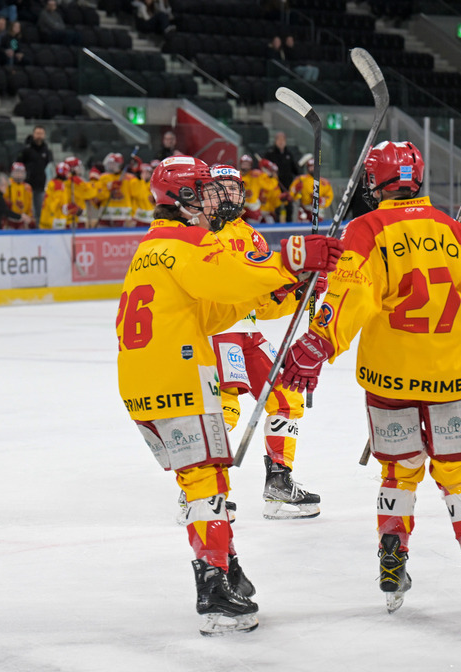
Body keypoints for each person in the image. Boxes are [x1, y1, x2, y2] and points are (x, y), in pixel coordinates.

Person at [116, 156, 343, 636]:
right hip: (177, 377)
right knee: (206, 486)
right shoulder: (187, 241)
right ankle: (214, 590)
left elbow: (215, 311)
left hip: (142, 382)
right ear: (185, 198)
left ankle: (226, 569)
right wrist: (290, 262)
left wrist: (290, 283)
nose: (215, 199)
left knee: (207, 481)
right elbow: (233, 279)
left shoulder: (153, 248)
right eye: (205, 190)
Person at [280, 141, 461, 616]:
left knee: (399, 472)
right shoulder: (451, 228)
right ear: (417, 179)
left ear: (373, 183)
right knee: (457, 474)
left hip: (392, 379)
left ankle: (391, 560)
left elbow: (349, 297)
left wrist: (319, 343)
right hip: (456, 372)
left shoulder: (367, 228)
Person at [207, 164, 331, 520]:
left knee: (286, 395)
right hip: (212, 331)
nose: (230, 193)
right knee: (222, 408)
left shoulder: (251, 235)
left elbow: (263, 303)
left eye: (234, 187)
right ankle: (203, 493)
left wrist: (298, 289)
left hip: (246, 331)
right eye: (221, 187)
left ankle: (278, 483)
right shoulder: (199, 231)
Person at [39, 159, 95, 230]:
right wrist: (67, 208)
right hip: (57, 219)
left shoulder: (56, 183)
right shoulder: (61, 184)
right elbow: (55, 205)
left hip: (55, 218)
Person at [16, 125, 53, 221]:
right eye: (37, 133)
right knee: (25, 210)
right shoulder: (26, 150)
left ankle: (38, 230)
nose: (39, 136)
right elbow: (18, 164)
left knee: (40, 211)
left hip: (40, 185)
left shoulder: (47, 151)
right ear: (33, 134)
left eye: (41, 134)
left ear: (44, 135)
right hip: (26, 185)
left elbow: (49, 167)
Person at [94, 152, 136, 227]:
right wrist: (108, 188)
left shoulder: (130, 178)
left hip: (124, 216)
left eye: (113, 164)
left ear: (120, 165)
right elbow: (98, 196)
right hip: (105, 215)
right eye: (110, 163)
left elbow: (136, 195)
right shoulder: (103, 177)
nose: (111, 166)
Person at [265, 132, 299, 222]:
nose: (281, 142)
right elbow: (264, 169)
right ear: (275, 141)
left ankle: (289, 226)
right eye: (279, 139)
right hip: (275, 186)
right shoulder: (270, 154)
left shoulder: (289, 154)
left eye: (283, 140)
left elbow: (295, 169)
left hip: (288, 185)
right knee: (277, 209)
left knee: (289, 208)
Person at [290, 153, 333, 223]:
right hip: (304, 210)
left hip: (319, 211)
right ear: (307, 167)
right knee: (304, 232)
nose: (312, 169)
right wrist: (296, 191)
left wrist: (321, 200)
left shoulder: (325, 182)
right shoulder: (300, 179)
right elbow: (292, 196)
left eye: (314, 166)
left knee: (318, 232)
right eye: (310, 167)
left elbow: (329, 197)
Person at [3, 162, 35, 229]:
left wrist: (29, 217)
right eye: (17, 172)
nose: (19, 174)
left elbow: (30, 204)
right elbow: (3, 202)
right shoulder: (7, 184)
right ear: (12, 173)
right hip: (10, 219)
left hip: (23, 219)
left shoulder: (27, 187)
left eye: (21, 172)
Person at [238, 155, 263, 223]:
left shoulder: (256, 174)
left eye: (247, 164)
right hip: (240, 206)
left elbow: (269, 184)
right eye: (244, 164)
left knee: (253, 226)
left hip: (253, 206)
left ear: (250, 166)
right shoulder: (236, 175)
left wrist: (265, 169)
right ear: (241, 164)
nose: (245, 166)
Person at [257, 158, 282, 223]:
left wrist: (282, 199)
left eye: (275, 172)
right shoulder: (260, 177)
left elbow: (276, 203)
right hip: (257, 211)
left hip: (268, 212)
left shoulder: (274, 182)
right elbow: (266, 187)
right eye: (272, 171)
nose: (275, 174)